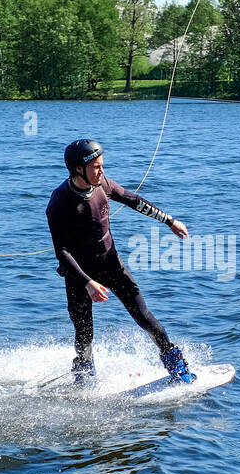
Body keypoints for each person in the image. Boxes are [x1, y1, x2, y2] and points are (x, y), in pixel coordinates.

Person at [46, 139, 196, 386]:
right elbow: (61, 252)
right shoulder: (60, 202)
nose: (101, 171)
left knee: (144, 316)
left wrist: (169, 221)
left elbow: (133, 200)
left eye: (101, 165)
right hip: (79, 275)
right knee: (84, 333)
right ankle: (83, 376)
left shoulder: (102, 184)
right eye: (95, 167)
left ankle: (175, 364)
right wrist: (87, 283)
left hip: (110, 264)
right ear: (77, 170)